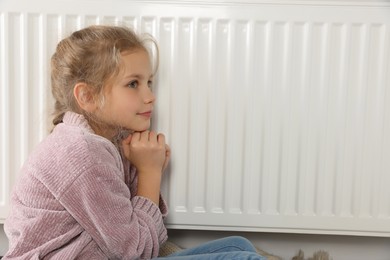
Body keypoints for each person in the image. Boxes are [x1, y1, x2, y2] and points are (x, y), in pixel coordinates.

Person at [4, 25, 265, 259]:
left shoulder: (106, 144)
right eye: (133, 84)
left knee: (240, 245)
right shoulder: (82, 153)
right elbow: (136, 251)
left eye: (149, 82)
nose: (150, 96)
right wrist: (149, 172)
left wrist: (138, 164)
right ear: (87, 96)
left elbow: (142, 233)